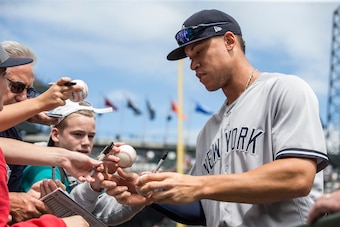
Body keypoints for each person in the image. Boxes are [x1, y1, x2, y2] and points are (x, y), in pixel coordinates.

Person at [106, 9, 329, 227]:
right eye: (190, 58)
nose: (193, 66)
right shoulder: (209, 130)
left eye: (200, 52)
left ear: (229, 41)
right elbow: (202, 209)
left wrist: (200, 185)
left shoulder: (283, 90)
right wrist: (149, 191)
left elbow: (298, 176)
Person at [0, 43, 99, 226]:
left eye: (28, 91)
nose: (23, 98)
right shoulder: (42, 169)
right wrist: (40, 103)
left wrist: (26, 199)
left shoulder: (13, 136)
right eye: (16, 87)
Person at [21, 99, 112, 193]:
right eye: (77, 134)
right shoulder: (43, 166)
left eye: (91, 136)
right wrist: (92, 189)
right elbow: (65, 207)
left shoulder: (91, 172)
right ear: (56, 135)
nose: (86, 142)